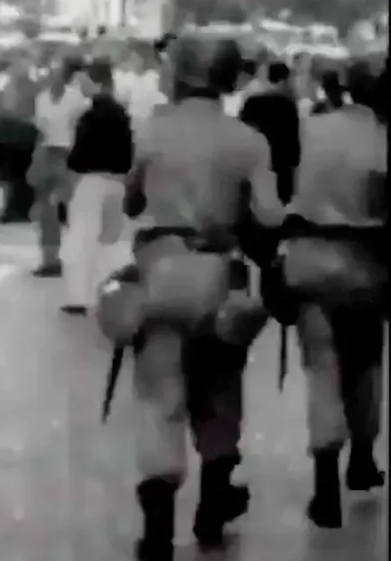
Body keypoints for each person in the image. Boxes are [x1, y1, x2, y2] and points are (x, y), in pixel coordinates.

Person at [123, 35, 285, 560]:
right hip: (219, 274)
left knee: (158, 398)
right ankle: (212, 511)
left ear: (178, 73)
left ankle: (156, 531)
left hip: (159, 271)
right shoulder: (248, 141)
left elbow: (131, 202)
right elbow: (269, 215)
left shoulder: (152, 129)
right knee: (220, 390)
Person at [282, 58, 387, 530]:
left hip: (309, 259)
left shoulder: (313, 126)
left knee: (321, 367)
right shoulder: (382, 137)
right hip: (364, 264)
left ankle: (325, 485)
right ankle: (362, 458)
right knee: (365, 363)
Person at [60, 57, 132, 313]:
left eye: (84, 81)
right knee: (109, 242)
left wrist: (68, 181)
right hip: (117, 183)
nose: (80, 86)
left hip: (91, 181)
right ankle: (107, 293)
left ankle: (79, 297)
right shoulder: (121, 113)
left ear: (97, 81)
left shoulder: (91, 115)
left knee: (81, 239)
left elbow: (79, 155)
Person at [30, 53, 86, 278]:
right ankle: (50, 258)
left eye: (58, 72)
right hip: (46, 152)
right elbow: (39, 130)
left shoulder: (76, 99)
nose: (53, 77)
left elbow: (81, 130)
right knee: (47, 208)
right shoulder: (41, 98)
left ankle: (79, 255)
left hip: (68, 154)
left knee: (70, 206)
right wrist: (35, 159)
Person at [239, 61, 301, 204]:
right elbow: (293, 142)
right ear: (284, 80)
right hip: (280, 167)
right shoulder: (287, 106)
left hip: (255, 167)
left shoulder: (251, 102)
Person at [0, 51, 40, 223]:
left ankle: (13, 209)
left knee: (11, 175)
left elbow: (1, 110)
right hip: (25, 134)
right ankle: (21, 209)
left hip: (13, 135)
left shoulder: (8, 87)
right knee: (20, 174)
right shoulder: (34, 87)